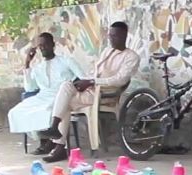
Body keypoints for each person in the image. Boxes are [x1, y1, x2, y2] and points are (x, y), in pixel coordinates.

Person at [38, 21, 139, 163]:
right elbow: (95, 72)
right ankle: (55, 131)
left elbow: (120, 80)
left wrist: (92, 82)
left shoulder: (131, 57)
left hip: (104, 95)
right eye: (110, 35)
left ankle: (58, 145)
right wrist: (84, 81)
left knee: (64, 103)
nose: (110, 39)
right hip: (91, 91)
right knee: (66, 86)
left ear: (124, 35)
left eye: (114, 36)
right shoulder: (107, 51)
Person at [8, 32, 85, 155]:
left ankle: (51, 143)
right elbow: (30, 88)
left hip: (62, 95)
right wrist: (27, 64)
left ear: (53, 45)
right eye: (40, 45)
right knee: (16, 111)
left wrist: (76, 87)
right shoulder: (38, 67)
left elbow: (83, 77)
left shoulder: (66, 61)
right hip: (43, 96)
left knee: (46, 110)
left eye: (46, 44)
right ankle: (43, 140)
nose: (43, 47)